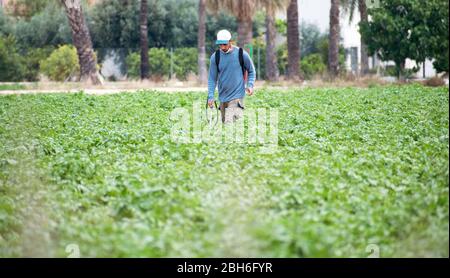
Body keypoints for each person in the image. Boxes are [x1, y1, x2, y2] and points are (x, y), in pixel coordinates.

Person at [207, 29, 256, 124]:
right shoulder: (215, 57)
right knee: (225, 126)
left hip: (237, 96)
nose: (222, 47)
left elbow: (251, 71)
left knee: (229, 123)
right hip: (223, 97)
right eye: (220, 44)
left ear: (230, 42)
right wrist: (210, 96)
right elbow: (212, 79)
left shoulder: (241, 54)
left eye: (224, 44)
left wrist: (250, 85)